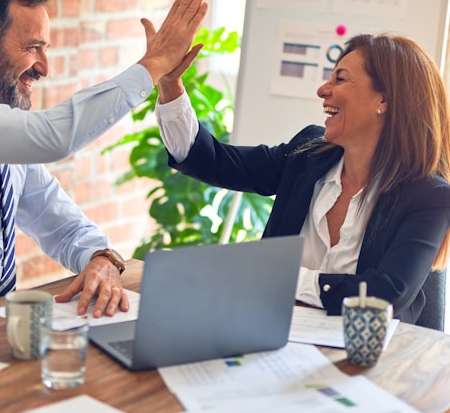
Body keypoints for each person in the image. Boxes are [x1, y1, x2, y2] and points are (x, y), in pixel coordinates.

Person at [0, 0, 207, 314]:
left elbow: (59, 222)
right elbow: (52, 138)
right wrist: (153, 65)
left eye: (45, 48)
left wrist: (101, 257)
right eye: (32, 47)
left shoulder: (3, 135)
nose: (44, 67)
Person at [154, 32, 450, 324]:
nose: (323, 89)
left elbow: (385, 296)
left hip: (370, 360)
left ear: (383, 99)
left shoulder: (429, 196)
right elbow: (212, 160)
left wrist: (285, 279)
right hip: (277, 339)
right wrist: (169, 84)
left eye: (340, 78)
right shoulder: (308, 154)